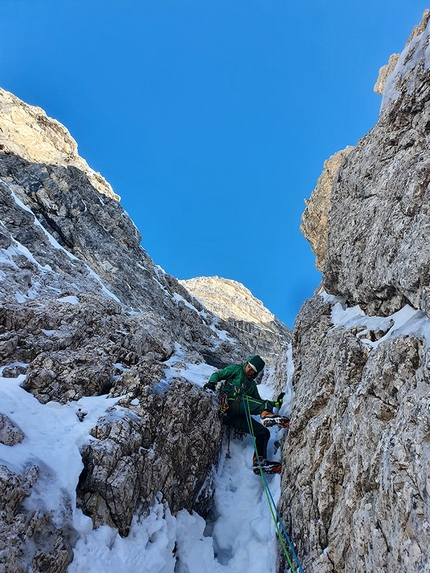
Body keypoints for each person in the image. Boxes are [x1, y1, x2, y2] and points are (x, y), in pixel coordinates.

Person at [204, 355, 289, 474]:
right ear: (246, 363)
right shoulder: (236, 370)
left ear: (255, 373)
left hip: (234, 418)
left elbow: (258, 402)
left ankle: (259, 462)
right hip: (231, 402)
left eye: (252, 369)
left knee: (263, 432)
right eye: (249, 366)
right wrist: (212, 383)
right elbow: (219, 374)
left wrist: (275, 404)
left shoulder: (252, 386)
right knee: (262, 406)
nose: (248, 369)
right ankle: (265, 417)